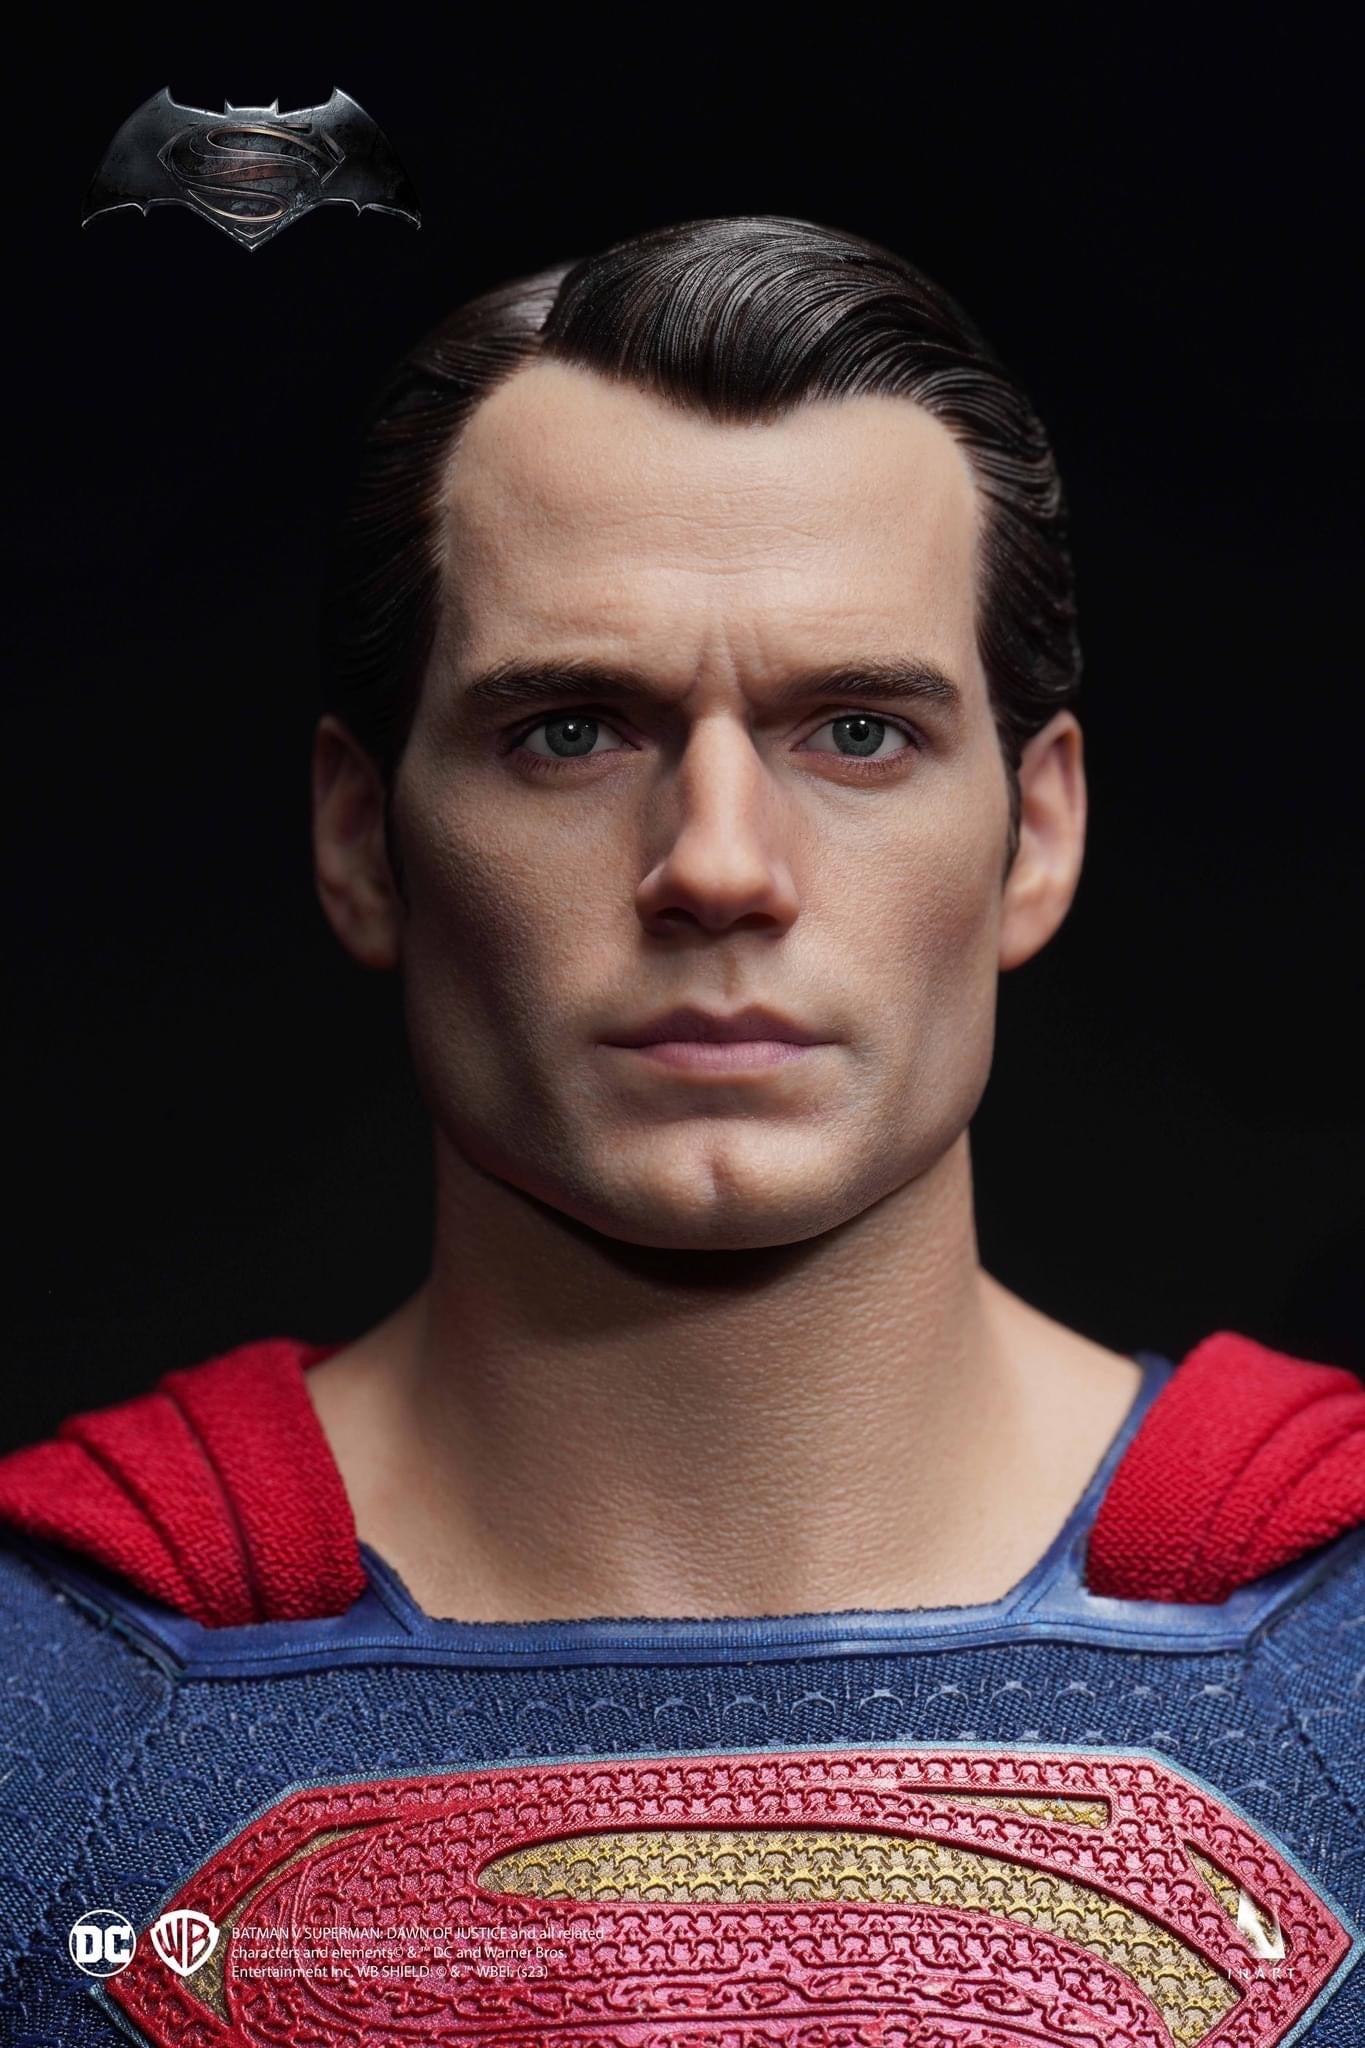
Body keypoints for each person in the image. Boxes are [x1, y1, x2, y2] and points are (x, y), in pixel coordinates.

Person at [1, 216, 1361, 2048]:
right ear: (361, 839)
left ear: (1033, 835)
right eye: (572, 730)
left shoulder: (1330, 1646)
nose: (718, 865)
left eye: (856, 731)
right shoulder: (48, 1709)